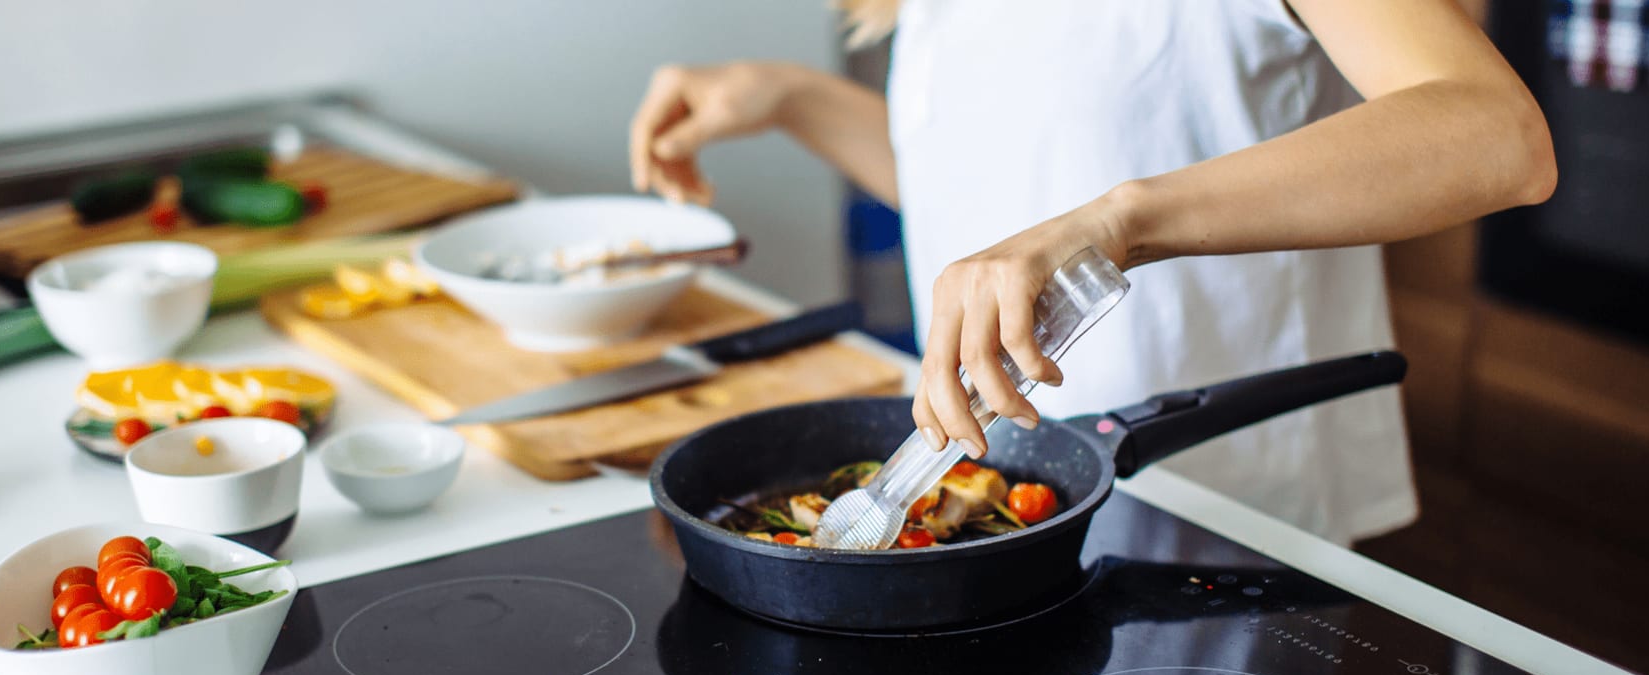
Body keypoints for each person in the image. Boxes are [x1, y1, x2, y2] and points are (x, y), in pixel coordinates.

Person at [628, 0, 1553, 545]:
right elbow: (998, 194)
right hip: (1003, 509)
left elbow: (1496, 136)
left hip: (1221, 512)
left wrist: (1120, 224)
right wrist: (793, 98)